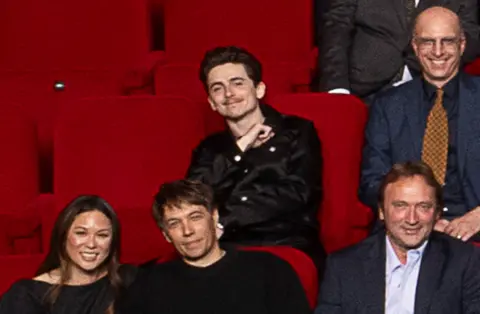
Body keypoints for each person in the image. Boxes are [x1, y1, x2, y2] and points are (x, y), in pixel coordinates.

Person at [186, 46, 324, 268]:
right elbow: (192, 197)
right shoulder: (209, 148)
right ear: (212, 102)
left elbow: (298, 192)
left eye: (237, 83)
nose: (228, 93)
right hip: (224, 247)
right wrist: (241, 146)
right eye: (217, 88)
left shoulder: (298, 131)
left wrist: (225, 221)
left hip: (283, 241)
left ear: (259, 89)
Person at [359, 7, 480, 242]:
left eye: (447, 41)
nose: (437, 51)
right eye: (427, 42)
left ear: (462, 44)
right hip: (407, 228)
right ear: (415, 47)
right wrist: (419, 218)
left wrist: (478, 217)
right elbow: (372, 181)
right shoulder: (388, 105)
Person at [117, 179, 311, 314]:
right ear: (166, 234)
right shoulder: (147, 284)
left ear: (214, 216)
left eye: (195, 217)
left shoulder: (270, 270)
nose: (187, 230)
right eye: (175, 223)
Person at [315, 161, 480, 314]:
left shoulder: (465, 262)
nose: (411, 219)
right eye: (400, 206)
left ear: (437, 213)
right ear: (381, 211)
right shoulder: (343, 266)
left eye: (423, 207)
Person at [317, 0, 479, 102]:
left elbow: (470, 36)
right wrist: (337, 89)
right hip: (361, 90)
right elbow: (336, 28)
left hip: (429, 91)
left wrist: (425, 64)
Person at [0, 195, 137, 314]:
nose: (91, 244)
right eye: (81, 233)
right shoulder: (26, 295)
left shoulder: (130, 279)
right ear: (63, 236)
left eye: (102, 235)